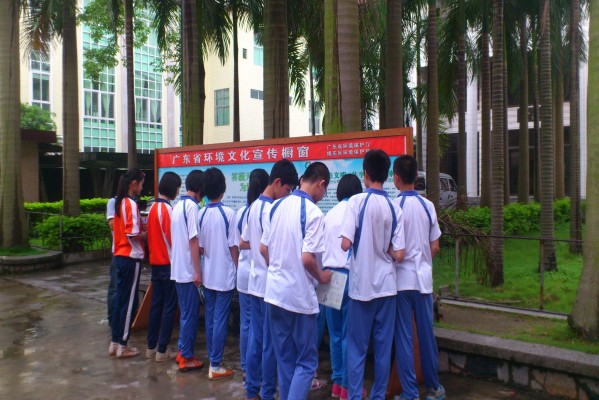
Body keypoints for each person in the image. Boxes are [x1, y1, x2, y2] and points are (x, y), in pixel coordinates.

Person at [261, 162, 333, 400]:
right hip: (299, 297)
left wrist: (278, 269)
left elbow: (263, 248)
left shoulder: (276, 206)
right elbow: (307, 259)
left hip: (274, 294)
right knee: (306, 362)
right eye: (325, 191)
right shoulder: (313, 213)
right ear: (321, 184)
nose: (323, 195)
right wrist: (322, 276)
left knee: (285, 360)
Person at [340, 150, 405, 400]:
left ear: (365, 173)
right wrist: (385, 248)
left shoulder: (356, 202)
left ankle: (355, 396)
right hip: (387, 287)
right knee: (382, 348)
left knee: (356, 348)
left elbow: (345, 244)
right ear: (387, 175)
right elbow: (399, 254)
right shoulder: (394, 208)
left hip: (361, 287)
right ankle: (378, 396)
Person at [240, 159, 299, 400]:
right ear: (277, 182)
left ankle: (252, 389)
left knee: (256, 338)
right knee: (270, 343)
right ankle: (266, 392)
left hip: (255, 282)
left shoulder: (254, 207)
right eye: (288, 189)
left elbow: (244, 242)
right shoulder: (270, 210)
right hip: (268, 285)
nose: (288, 195)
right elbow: (265, 248)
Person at [392, 155, 445, 400]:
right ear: (415, 177)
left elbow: (391, 248)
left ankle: (410, 392)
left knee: (404, 337)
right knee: (426, 335)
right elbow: (435, 245)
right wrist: (423, 261)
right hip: (423, 281)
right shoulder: (428, 206)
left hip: (400, 282)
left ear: (396, 178)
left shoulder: (394, 207)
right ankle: (434, 388)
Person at [322, 174, 363, 399]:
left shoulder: (329, 214)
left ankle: (337, 382)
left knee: (335, 333)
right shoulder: (355, 212)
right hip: (348, 276)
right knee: (350, 335)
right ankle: (348, 387)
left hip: (328, 275)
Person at [198, 167, 238, 380]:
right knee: (220, 318)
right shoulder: (228, 214)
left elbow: (200, 247)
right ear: (223, 188)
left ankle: (213, 360)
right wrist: (239, 268)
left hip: (208, 274)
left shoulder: (201, 213)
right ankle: (215, 364)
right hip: (224, 276)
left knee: (211, 318)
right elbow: (233, 247)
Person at [235, 168, 270, 382]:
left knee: (246, 323)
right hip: (260, 274)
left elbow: (239, 243)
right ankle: (258, 370)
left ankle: (246, 367)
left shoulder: (242, 211)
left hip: (244, 272)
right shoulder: (265, 210)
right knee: (261, 327)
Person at [108, 168, 146, 358]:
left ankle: (115, 342)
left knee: (120, 301)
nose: (142, 187)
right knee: (129, 303)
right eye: (141, 184)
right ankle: (123, 345)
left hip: (120, 256)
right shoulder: (130, 203)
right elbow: (133, 233)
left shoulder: (119, 202)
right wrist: (147, 234)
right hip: (131, 257)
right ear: (134, 184)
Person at [145, 172, 182, 362]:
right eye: (178, 187)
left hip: (155, 263)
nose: (178, 191)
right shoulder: (167, 210)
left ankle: (151, 347)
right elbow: (172, 238)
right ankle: (162, 349)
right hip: (168, 263)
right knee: (169, 306)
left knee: (156, 305)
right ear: (173, 188)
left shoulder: (152, 208)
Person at [171, 170, 204, 372]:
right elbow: (193, 240)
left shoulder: (178, 206)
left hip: (178, 269)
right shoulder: (192, 207)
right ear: (199, 189)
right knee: (190, 315)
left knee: (185, 313)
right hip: (187, 270)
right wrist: (197, 272)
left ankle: (182, 350)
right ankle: (187, 357)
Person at [106, 196, 117, 327]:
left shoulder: (130, 202)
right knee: (114, 287)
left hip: (129, 252)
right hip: (118, 251)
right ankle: (112, 317)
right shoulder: (113, 201)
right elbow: (112, 224)